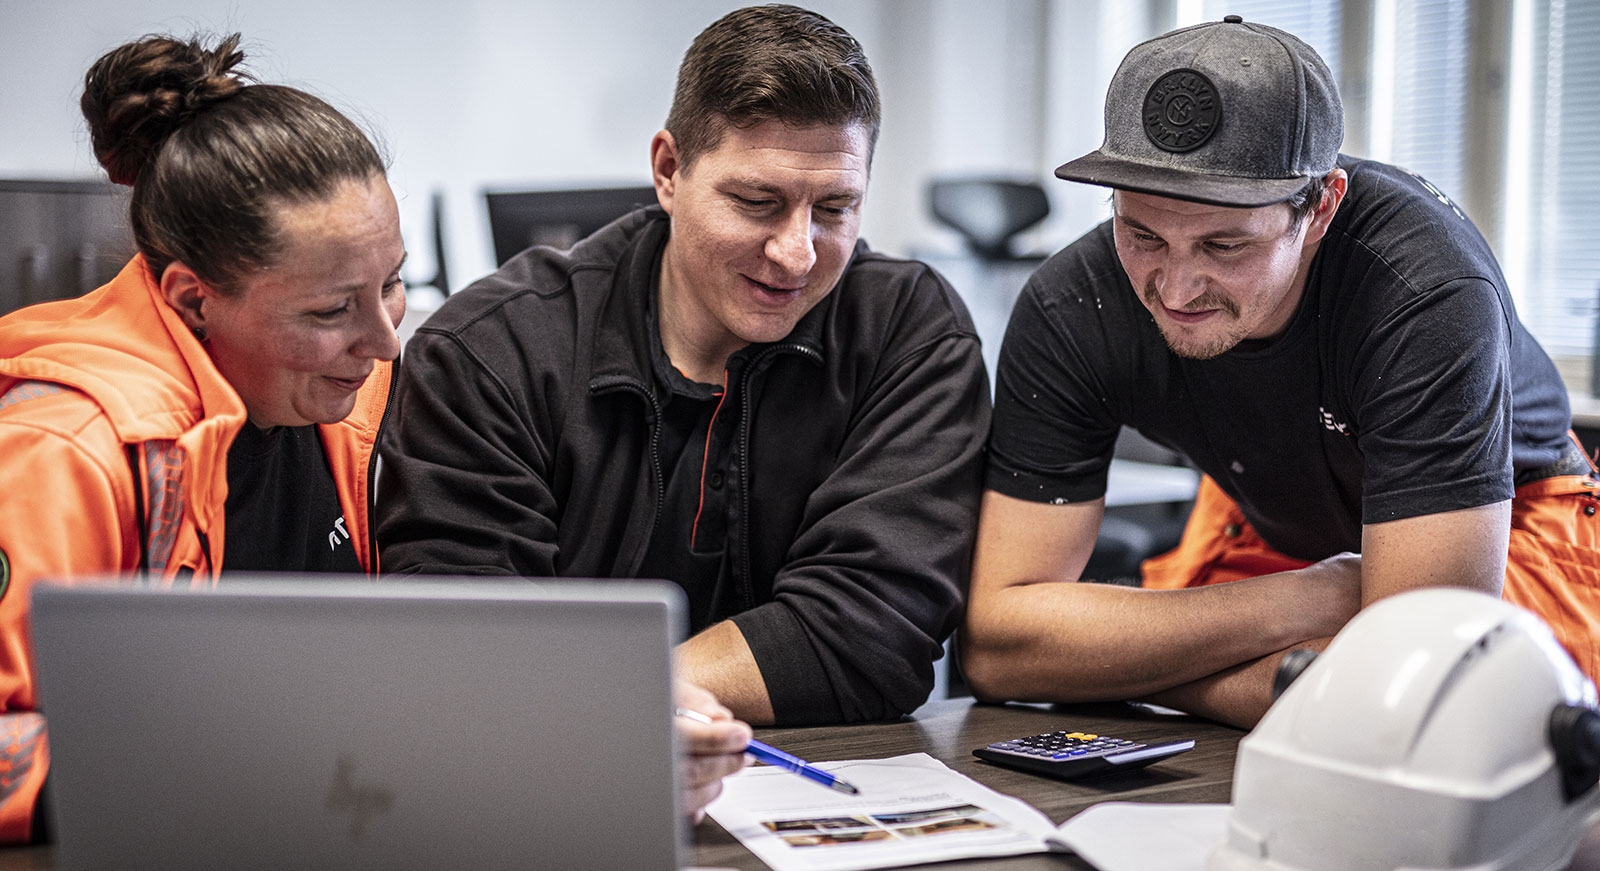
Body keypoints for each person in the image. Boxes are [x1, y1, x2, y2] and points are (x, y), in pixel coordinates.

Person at [0, 33, 744, 841]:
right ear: (191, 300)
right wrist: (235, 764)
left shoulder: (357, 397)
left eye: (391, 283)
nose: (388, 341)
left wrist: (603, 725)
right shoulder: (64, 447)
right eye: (329, 311)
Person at [962, 16, 1599, 729]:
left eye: (1224, 243)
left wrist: (1122, 674)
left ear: (1322, 205)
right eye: (1141, 233)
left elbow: (1418, 678)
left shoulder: (1424, 290)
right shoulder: (1071, 302)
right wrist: (1311, 600)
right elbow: (997, 648)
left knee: (1468, 719)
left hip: (1515, 526)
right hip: (1278, 522)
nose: (1174, 289)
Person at [376, 4, 992, 727]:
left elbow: (871, 631)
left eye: (834, 208)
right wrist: (634, 708)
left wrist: (624, 696)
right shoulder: (490, 351)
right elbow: (472, 649)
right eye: (758, 202)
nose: (797, 252)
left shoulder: (906, 333)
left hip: (822, 791)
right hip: (550, 788)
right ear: (668, 170)